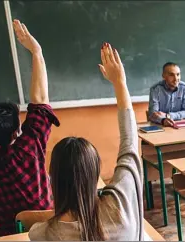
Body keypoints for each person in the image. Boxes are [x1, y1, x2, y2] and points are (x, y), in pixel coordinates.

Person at [29, 42, 143, 240]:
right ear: (96, 172)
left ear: (52, 178)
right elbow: (130, 143)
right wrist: (120, 83)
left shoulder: (41, 234)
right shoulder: (120, 209)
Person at [0, 20, 60, 237]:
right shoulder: (28, 150)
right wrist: (36, 52)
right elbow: (40, 100)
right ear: (16, 132)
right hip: (46, 235)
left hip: (8, 237)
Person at [148, 62, 185, 127]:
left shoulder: (184, 87)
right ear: (163, 76)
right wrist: (163, 120)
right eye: (171, 75)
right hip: (162, 126)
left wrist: (168, 116)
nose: (176, 79)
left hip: (181, 127)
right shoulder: (155, 89)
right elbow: (153, 114)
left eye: (178, 74)